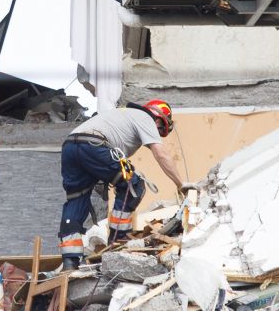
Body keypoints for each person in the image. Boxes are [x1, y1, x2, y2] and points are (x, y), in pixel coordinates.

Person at [58, 100, 192, 270]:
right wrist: (181, 184)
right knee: (133, 185)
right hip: (93, 144)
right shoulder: (145, 117)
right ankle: (117, 241)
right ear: (158, 118)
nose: (157, 132)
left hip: (70, 146)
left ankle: (70, 262)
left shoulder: (122, 115)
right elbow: (161, 154)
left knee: (76, 200)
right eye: (160, 128)